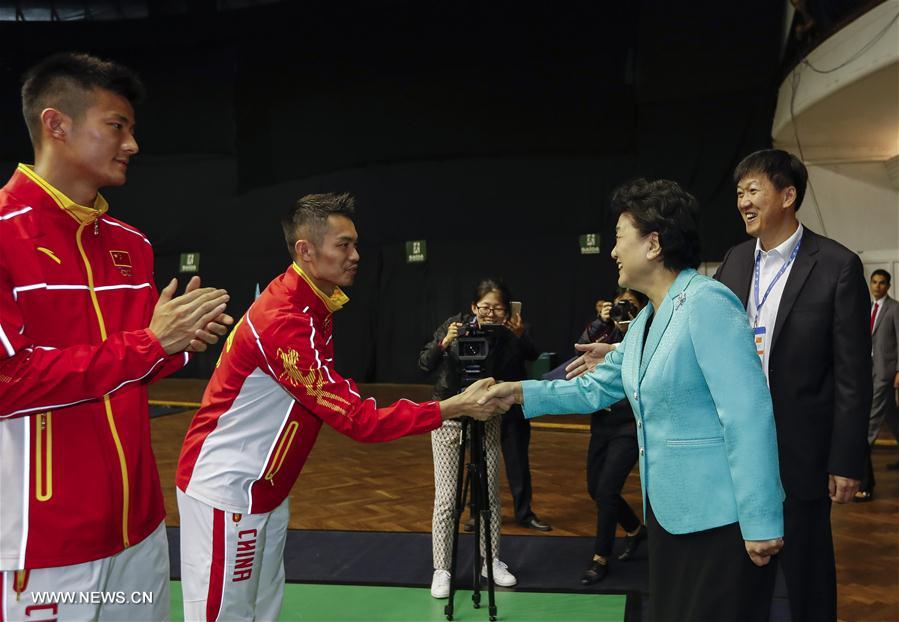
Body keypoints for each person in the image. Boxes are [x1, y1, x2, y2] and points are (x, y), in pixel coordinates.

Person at [175, 193, 502, 621]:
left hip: (266, 490)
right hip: (227, 493)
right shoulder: (285, 320)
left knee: (262, 611)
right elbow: (359, 420)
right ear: (306, 251)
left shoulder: (314, 304)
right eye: (343, 245)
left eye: (355, 244)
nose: (356, 256)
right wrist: (453, 406)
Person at [479, 178, 785, 622]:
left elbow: (749, 415)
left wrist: (761, 520)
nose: (613, 251)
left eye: (620, 238)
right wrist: (517, 392)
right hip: (670, 514)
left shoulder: (707, 303)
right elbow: (594, 388)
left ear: (654, 244)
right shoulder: (645, 320)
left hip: (721, 520)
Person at [0, 52, 232, 620]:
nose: (132, 144)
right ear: (56, 124)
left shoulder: (132, 244)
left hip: (139, 529)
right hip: (45, 539)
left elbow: (133, 364)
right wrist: (152, 343)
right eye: (117, 126)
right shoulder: (3, 236)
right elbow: (7, 384)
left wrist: (175, 346)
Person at [715, 149, 871, 622]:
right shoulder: (736, 260)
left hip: (801, 447)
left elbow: (853, 374)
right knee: (743, 569)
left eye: (753, 189)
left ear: (788, 194)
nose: (743, 200)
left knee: (806, 571)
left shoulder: (837, 265)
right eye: (739, 192)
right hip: (738, 445)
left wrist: (846, 459)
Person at [418, 279, 535, 599]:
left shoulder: (506, 335)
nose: (491, 313)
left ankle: (490, 561)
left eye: (498, 308)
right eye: (485, 307)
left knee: (489, 497)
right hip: (449, 417)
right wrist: (445, 342)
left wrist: (516, 333)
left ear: (507, 310)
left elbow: (528, 359)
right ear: (473, 308)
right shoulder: (453, 326)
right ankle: (442, 568)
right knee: (446, 498)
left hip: (488, 418)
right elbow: (425, 363)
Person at [579, 289, 648, 585]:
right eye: (620, 305)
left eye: (630, 306)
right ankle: (634, 529)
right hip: (602, 420)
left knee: (607, 491)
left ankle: (600, 557)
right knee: (595, 488)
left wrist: (632, 326)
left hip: (629, 425)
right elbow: (581, 351)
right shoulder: (604, 331)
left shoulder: (647, 331)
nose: (623, 311)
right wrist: (600, 323)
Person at [857, 269, 899, 499]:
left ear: (888, 286)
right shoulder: (867, 307)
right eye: (874, 282)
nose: (877, 286)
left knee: (871, 421)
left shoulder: (895, 308)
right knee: (893, 417)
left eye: (882, 283)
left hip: (885, 372)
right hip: (868, 369)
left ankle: (864, 475)